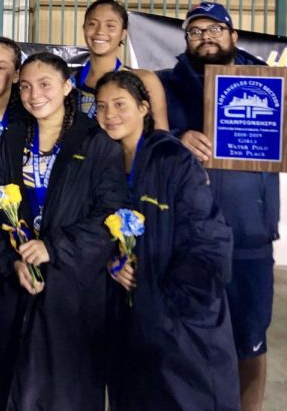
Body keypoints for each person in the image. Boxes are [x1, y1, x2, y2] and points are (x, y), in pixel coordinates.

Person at [158, 1, 287, 411]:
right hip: (186, 239)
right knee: (185, 341)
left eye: (215, 29)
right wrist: (176, 136)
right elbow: (142, 136)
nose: (205, 37)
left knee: (249, 344)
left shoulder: (273, 85)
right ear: (186, 40)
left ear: (234, 36)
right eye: (196, 31)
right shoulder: (164, 86)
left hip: (249, 237)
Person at [0, 52, 125, 410]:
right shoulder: (9, 144)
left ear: (66, 86)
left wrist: (54, 247)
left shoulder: (95, 143)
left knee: (69, 391)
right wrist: (11, 261)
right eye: (26, 86)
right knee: (16, 389)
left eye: (44, 84)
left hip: (75, 292)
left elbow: (110, 214)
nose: (34, 94)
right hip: (18, 290)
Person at [95, 70, 239, 410]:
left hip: (180, 322)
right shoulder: (108, 161)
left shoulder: (172, 159)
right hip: (133, 322)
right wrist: (114, 263)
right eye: (101, 107)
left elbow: (209, 242)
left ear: (144, 108)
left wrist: (168, 305)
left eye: (119, 104)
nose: (109, 115)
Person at [74, 0, 167, 129]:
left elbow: (161, 136)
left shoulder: (145, 80)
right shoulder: (68, 82)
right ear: (84, 29)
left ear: (123, 34)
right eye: (92, 24)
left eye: (110, 26)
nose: (100, 31)